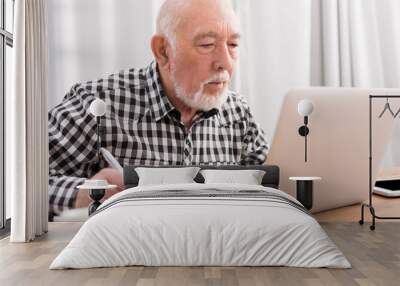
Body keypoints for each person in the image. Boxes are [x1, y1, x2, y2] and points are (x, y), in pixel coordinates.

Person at [48, 0, 268, 214]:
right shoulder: (98, 103)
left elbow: (274, 184)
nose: (226, 64)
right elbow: (23, 183)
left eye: (233, 45)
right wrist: (83, 194)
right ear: (163, 50)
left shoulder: (238, 113)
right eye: (207, 45)